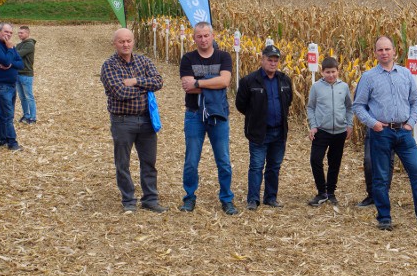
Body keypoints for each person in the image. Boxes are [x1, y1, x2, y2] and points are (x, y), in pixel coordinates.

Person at [352, 36, 417, 232]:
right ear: (376, 53)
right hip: (381, 133)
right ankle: (384, 217)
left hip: (403, 133)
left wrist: (411, 122)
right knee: (381, 177)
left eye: (387, 49)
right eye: (380, 50)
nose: (384, 53)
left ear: (395, 51)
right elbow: (358, 106)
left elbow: (416, 101)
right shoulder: (369, 77)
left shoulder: (405, 74)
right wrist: (374, 123)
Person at [100, 28, 166, 213]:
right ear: (115, 43)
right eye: (121, 41)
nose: (125, 44)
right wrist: (145, 87)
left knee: (149, 162)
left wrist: (135, 81)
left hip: (146, 120)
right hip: (122, 121)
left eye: (128, 41)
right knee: (123, 163)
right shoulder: (109, 65)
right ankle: (128, 200)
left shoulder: (144, 61)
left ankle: (150, 199)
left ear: (133, 41)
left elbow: (158, 81)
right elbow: (119, 92)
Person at [178, 22, 237, 215]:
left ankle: (227, 198)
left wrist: (198, 82)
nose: (203, 40)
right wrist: (212, 82)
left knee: (223, 160)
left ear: (212, 36)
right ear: (194, 38)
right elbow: (188, 87)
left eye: (206, 35)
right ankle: (189, 197)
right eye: (199, 36)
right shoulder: (187, 58)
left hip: (218, 114)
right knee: (191, 160)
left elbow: (225, 81)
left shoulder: (224, 56)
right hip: (194, 113)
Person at [235, 44, 293, 210]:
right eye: (269, 60)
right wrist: (256, 117)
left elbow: (288, 102)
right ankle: (253, 200)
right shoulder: (249, 81)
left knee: (274, 167)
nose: (273, 63)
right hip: (259, 132)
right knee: (256, 166)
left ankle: (270, 197)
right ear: (262, 60)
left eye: (276, 60)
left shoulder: (284, 80)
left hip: (279, 131)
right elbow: (241, 105)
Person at [306, 56, 352, 206]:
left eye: (333, 72)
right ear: (322, 72)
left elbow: (349, 107)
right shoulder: (316, 87)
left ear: (338, 71)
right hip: (322, 130)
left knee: (335, 162)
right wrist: (313, 125)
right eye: (327, 72)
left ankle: (331, 192)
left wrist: (349, 125)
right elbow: (310, 107)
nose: (331, 75)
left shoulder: (344, 87)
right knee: (315, 160)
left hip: (339, 131)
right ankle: (321, 192)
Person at [0, 23, 23, 150]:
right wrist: (10, 51)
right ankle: (12, 143)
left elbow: (21, 63)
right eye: (6, 32)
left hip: (12, 85)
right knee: (8, 115)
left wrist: (10, 64)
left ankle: (2, 139)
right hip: (0, 85)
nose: (8, 35)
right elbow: (6, 61)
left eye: (10, 33)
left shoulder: (10, 47)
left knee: (4, 114)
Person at [15, 25, 37, 124]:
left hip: (26, 74)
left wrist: (11, 49)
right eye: (19, 33)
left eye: (22, 33)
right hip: (18, 74)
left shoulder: (30, 45)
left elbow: (17, 54)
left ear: (28, 33)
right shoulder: (19, 45)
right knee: (22, 97)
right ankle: (26, 115)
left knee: (29, 96)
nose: (19, 34)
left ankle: (32, 117)